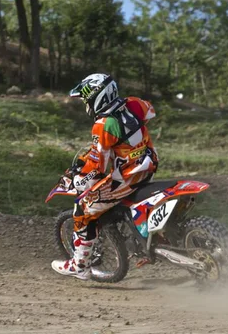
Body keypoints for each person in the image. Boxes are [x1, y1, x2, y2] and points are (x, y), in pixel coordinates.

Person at [51, 73, 159, 280]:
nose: (86, 104)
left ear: (97, 96)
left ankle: (80, 264)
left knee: (84, 207)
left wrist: (80, 180)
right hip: (149, 163)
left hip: (128, 176)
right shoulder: (134, 104)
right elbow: (149, 110)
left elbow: (98, 165)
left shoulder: (103, 125)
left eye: (87, 99)